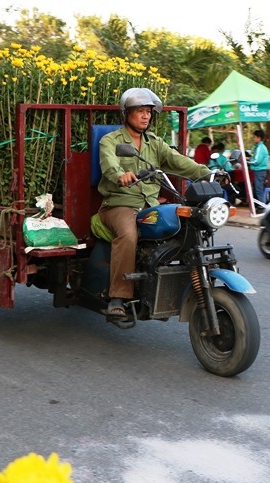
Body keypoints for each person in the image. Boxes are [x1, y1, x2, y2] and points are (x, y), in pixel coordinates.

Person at [98, 87, 211, 319]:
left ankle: (180, 286)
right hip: (119, 204)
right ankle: (118, 296)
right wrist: (121, 175)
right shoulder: (111, 140)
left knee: (188, 224)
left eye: (149, 111)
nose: (146, 116)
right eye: (140, 110)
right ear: (126, 113)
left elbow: (179, 162)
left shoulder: (155, 143)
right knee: (129, 235)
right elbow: (110, 163)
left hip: (149, 205)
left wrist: (208, 173)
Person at [247, 128, 270, 201]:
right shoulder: (257, 147)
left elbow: (257, 161)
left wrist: (247, 162)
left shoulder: (260, 147)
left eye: (254, 137)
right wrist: (249, 159)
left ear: (259, 138)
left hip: (260, 170)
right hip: (259, 170)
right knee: (257, 188)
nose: (253, 138)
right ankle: (259, 205)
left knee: (258, 189)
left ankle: (261, 206)